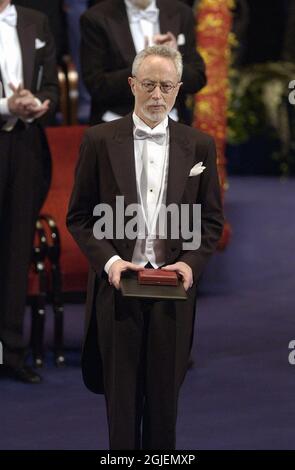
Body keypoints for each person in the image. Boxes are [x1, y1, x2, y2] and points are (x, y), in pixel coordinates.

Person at [67, 45, 223, 449]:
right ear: (132, 84)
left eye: (166, 86)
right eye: (149, 84)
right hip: (118, 290)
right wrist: (112, 262)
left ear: (179, 90)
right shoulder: (99, 140)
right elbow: (80, 217)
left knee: (164, 409)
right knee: (121, 410)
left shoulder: (200, 145)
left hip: (173, 292)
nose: (157, 95)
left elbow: (210, 222)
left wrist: (191, 264)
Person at [0, 0, 59, 383]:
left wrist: (37, 104)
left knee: (16, 249)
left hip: (25, 148)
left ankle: (10, 351)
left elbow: (51, 83)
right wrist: (7, 103)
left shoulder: (37, 21)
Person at [80, 0, 206, 125]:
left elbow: (197, 80)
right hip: (116, 124)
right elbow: (96, 85)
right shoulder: (96, 18)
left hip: (173, 124)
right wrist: (144, 67)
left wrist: (172, 62)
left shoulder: (182, 12)